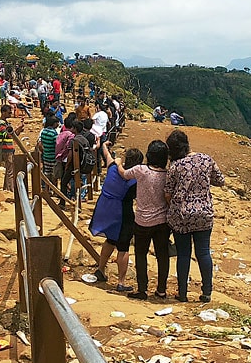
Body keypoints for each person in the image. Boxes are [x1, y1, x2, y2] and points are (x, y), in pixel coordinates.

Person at [164, 129, 225, 303]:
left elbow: (167, 193)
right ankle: (207, 292)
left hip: (182, 216)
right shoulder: (206, 159)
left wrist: (173, 205)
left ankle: (182, 293)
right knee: (203, 252)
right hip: (204, 214)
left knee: (183, 254)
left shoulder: (175, 166)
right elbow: (220, 181)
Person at [115, 139, 171, 301]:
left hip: (142, 221)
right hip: (162, 221)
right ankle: (161, 290)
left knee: (141, 255)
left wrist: (117, 163)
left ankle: (142, 289)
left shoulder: (141, 170)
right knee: (162, 256)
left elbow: (124, 174)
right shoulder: (167, 174)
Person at [89, 141, 144, 293]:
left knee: (110, 239)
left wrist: (105, 145)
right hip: (122, 212)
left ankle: (101, 269)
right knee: (123, 247)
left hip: (105, 208)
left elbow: (106, 154)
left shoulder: (113, 167)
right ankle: (121, 282)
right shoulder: (134, 180)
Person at [0, 104, 24, 194]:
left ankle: (6, 188)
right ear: (3, 113)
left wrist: (19, 129)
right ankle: (10, 190)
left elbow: (13, 135)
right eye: (9, 112)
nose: (10, 114)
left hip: (9, 148)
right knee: (10, 171)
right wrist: (16, 130)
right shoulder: (0, 125)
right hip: (6, 149)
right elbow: (8, 135)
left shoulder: (5, 124)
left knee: (9, 169)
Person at [38, 114, 59, 191]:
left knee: (47, 173)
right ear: (53, 124)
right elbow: (56, 144)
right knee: (54, 175)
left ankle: (47, 190)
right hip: (53, 156)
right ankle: (54, 190)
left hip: (46, 155)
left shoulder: (43, 131)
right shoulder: (53, 133)